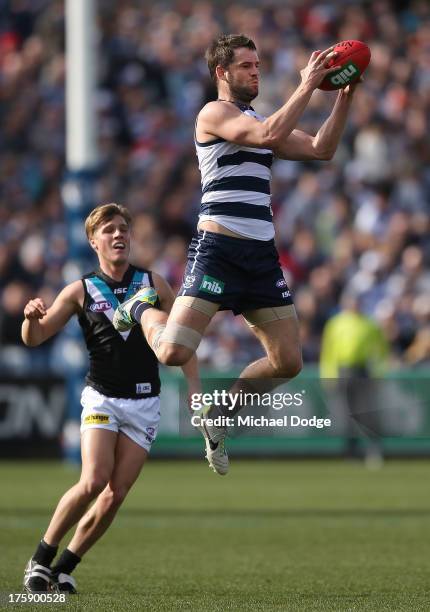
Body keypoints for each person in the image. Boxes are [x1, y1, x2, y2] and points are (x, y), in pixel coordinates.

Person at [112, 33, 361, 476]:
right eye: (247, 66)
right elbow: (266, 135)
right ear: (222, 73)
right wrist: (307, 83)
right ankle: (143, 306)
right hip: (219, 252)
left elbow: (322, 149)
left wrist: (344, 95)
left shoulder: (265, 120)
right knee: (171, 353)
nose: (256, 72)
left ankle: (219, 417)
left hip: (261, 257)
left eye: (258, 65)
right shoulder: (214, 113)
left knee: (289, 362)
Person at [21, 203, 198, 594]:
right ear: (93, 241)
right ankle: (40, 559)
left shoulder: (153, 283)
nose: (118, 235)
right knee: (94, 480)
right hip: (102, 397)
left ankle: (64, 568)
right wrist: (31, 317)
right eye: (109, 230)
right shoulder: (80, 290)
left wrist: (195, 392)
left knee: (115, 494)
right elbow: (35, 337)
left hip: (145, 402)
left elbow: (183, 342)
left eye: (123, 229)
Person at [320, 289, 389, 465]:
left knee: (366, 411)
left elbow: (381, 350)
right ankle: (351, 453)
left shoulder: (369, 324)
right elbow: (328, 352)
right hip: (343, 371)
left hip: (362, 371)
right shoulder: (335, 324)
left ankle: (374, 450)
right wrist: (328, 375)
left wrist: (378, 373)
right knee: (346, 414)